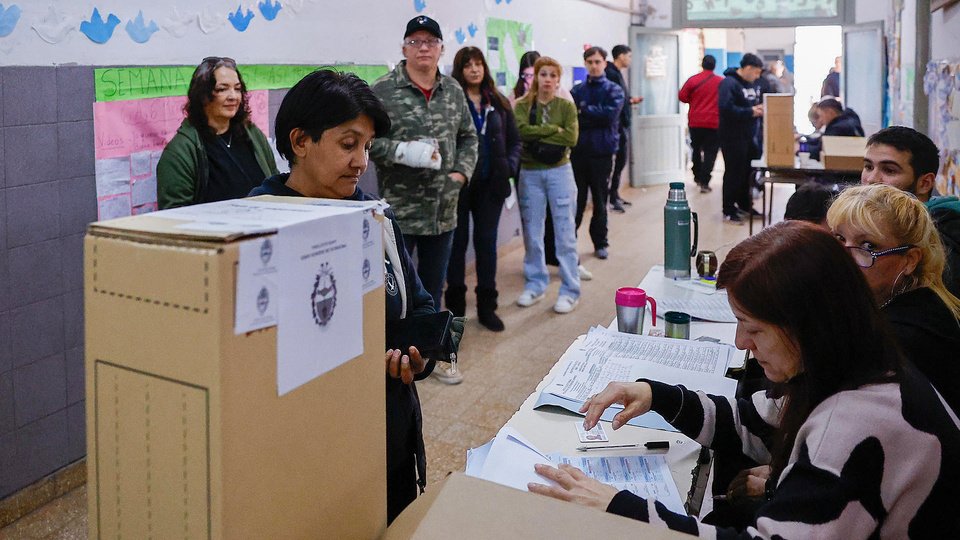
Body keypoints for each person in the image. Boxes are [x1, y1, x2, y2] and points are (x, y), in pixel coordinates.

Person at [528, 220, 960, 537]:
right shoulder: (851, 366)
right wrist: (654, 395)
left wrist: (617, 507)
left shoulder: (853, 422)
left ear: (808, 326)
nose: (740, 343)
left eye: (753, 328)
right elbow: (749, 424)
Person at [248, 69, 441, 524]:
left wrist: (417, 358)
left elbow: (421, 304)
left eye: (367, 147)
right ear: (300, 141)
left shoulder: (373, 217)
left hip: (386, 436)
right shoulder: (256, 229)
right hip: (305, 452)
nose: (361, 162)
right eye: (348, 144)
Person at [370, 16, 478, 383]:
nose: (423, 48)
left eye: (430, 41)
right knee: (393, 289)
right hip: (398, 210)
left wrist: (461, 173)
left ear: (441, 49)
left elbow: (469, 138)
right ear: (404, 48)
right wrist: (402, 151)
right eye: (415, 41)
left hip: (442, 209)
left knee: (433, 288)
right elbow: (365, 141)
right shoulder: (383, 90)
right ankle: (388, 357)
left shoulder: (453, 91)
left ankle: (428, 358)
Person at [828, 184, 960, 412]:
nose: (844, 259)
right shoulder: (895, 298)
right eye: (839, 238)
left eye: (867, 246)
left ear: (909, 260)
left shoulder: (900, 338)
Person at [446, 47, 521, 333]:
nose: (474, 70)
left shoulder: (499, 102)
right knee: (456, 248)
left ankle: (487, 308)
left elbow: (515, 141)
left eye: (478, 64)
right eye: (468, 66)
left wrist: (509, 167)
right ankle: (455, 315)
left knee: (487, 247)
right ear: (460, 70)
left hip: (492, 186)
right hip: (460, 187)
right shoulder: (452, 101)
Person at [157, 56, 278, 208]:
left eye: (238, 89)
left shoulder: (252, 134)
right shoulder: (181, 150)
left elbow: (274, 185)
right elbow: (172, 215)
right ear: (202, 95)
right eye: (222, 89)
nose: (233, 96)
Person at [514, 57, 581, 314]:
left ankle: (570, 290)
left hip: (560, 172)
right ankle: (535, 284)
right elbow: (520, 132)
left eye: (554, 75)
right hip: (530, 174)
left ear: (558, 79)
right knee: (533, 233)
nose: (548, 80)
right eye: (544, 74)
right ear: (536, 77)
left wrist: (539, 130)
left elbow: (571, 137)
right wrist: (553, 129)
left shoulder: (566, 106)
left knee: (565, 234)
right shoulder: (521, 105)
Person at [861, 126, 960, 297]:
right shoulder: (881, 224)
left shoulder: (943, 241)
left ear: (925, 183)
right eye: (869, 167)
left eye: (889, 170)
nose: (871, 180)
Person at [571, 46, 624, 261]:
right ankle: (569, 244)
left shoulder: (614, 90)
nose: (594, 66)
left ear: (604, 63)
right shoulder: (576, 91)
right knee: (577, 201)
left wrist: (585, 111)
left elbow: (609, 116)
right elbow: (572, 118)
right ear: (585, 64)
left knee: (601, 200)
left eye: (597, 61)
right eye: (590, 62)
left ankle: (600, 242)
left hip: (602, 152)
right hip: (579, 152)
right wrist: (592, 113)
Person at [718, 53, 764, 224]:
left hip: (749, 136)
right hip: (732, 137)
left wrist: (755, 109)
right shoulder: (729, 83)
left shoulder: (749, 85)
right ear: (748, 68)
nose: (757, 77)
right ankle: (729, 209)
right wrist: (751, 112)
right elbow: (726, 108)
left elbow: (746, 105)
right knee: (733, 173)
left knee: (747, 174)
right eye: (756, 72)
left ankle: (745, 205)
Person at [605, 44, 642, 211]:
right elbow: (614, 100)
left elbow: (620, 97)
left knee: (620, 162)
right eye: (629, 56)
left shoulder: (616, 73)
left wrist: (630, 100)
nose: (629, 59)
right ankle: (611, 197)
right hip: (616, 126)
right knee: (617, 162)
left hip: (622, 124)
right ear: (620, 56)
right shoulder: (611, 74)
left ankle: (615, 194)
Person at [679, 55, 723, 193]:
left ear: (702, 64)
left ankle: (697, 175)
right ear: (714, 65)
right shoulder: (720, 82)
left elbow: (682, 96)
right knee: (711, 152)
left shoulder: (693, 80)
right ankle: (705, 181)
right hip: (714, 122)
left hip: (695, 121)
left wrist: (695, 100)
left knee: (696, 149)